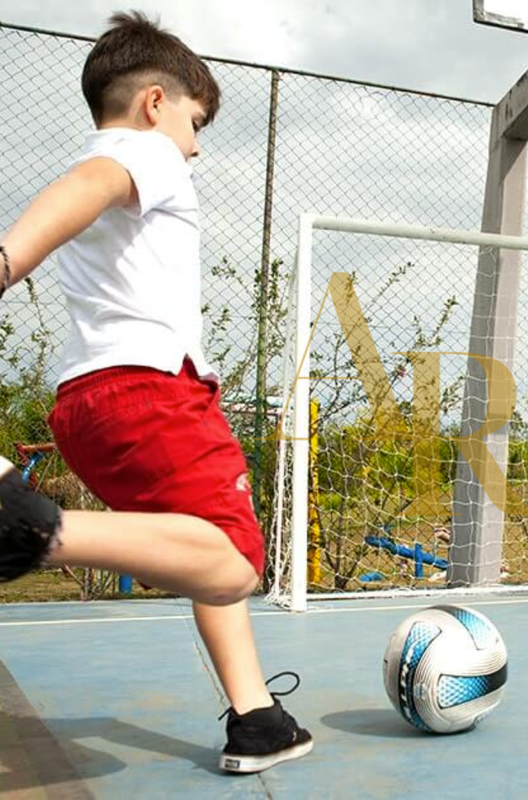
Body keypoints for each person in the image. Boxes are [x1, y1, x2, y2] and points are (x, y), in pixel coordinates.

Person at [0, 11, 312, 773]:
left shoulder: (108, 166)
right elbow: (95, 180)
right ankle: (21, 525)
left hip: (85, 404)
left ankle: (256, 719)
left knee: (196, 544)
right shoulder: (143, 155)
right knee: (236, 559)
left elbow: (84, 186)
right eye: (195, 121)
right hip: (151, 393)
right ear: (154, 104)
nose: (198, 144)